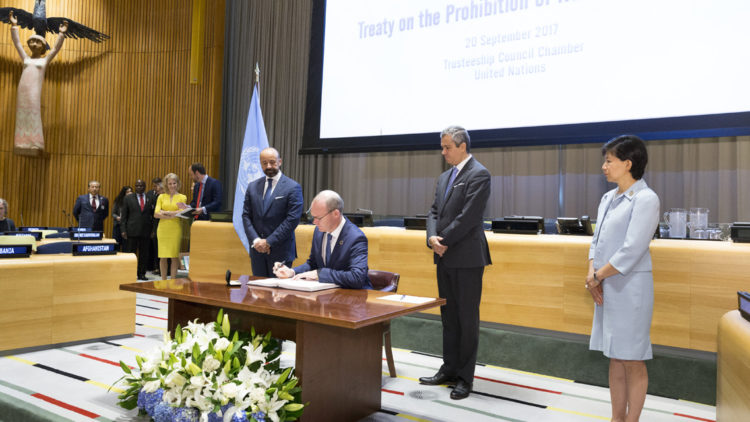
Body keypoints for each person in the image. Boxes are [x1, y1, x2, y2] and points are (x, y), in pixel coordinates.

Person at [585, 135, 660, 422]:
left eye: (609, 161)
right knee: (615, 355)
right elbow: (597, 241)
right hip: (606, 285)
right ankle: (617, 417)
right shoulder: (608, 197)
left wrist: (597, 276)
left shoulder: (646, 198)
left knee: (633, 357)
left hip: (630, 289)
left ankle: (633, 419)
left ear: (628, 164)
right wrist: (591, 272)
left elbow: (632, 249)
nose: (604, 166)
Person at [419, 125, 491, 401]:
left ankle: (464, 377)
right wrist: (431, 239)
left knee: (466, 319)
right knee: (448, 317)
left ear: (463, 146)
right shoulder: (444, 177)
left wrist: (444, 239)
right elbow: (433, 212)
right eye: (443, 146)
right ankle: (448, 368)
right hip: (444, 255)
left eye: (448, 147)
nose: (443, 151)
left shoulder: (479, 174)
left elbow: (470, 216)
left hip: (467, 257)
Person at [273, 190, 372, 289]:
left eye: (318, 218)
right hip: (326, 295)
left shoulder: (356, 237)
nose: (314, 222)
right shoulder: (319, 231)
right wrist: (292, 272)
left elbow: (357, 277)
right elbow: (313, 264)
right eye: (313, 217)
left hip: (354, 298)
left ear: (336, 214)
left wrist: (320, 274)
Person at [8, 11, 67, 155]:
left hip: (34, 92)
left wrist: (61, 34)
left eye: (37, 42)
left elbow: (55, 50)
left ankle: (35, 143)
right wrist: (14, 26)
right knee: (22, 115)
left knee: (34, 114)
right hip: (22, 91)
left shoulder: (44, 61)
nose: (34, 44)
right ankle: (21, 142)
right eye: (32, 42)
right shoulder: (26, 59)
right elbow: (17, 44)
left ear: (42, 46)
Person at [242, 147, 304, 276]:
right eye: (264, 163)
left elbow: (292, 220)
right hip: (257, 251)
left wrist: (269, 241)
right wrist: (256, 241)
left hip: (281, 251)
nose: (268, 166)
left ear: (279, 162)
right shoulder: (252, 186)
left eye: (272, 162)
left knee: (279, 295)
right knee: (258, 292)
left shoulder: (292, 187)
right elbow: (246, 216)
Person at [154, 174, 187, 280]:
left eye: (174, 183)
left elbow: (182, 212)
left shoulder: (182, 197)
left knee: (174, 256)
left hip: (175, 228)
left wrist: (166, 212)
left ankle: (172, 280)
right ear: (166, 184)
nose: (172, 186)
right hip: (163, 229)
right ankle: (163, 280)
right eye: (170, 183)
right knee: (162, 256)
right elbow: (156, 213)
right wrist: (172, 214)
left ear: (177, 184)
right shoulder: (161, 196)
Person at [121, 180, 155, 280]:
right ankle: (130, 273)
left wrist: (153, 230)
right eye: (137, 186)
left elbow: (153, 216)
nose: (139, 187)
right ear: (135, 187)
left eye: (141, 185)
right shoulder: (128, 198)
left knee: (144, 254)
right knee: (131, 254)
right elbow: (124, 216)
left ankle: (141, 274)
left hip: (146, 231)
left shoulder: (151, 198)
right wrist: (123, 230)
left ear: (145, 186)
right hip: (131, 230)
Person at [146, 177, 162, 274]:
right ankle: (151, 266)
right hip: (150, 222)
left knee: (158, 247)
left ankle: (158, 267)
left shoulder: (163, 195)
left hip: (159, 222)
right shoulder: (149, 193)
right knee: (151, 247)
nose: (155, 188)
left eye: (157, 185)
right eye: (154, 185)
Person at [111, 186, 132, 251]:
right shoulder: (118, 200)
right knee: (116, 244)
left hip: (127, 227)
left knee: (126, 246)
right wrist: (117, 217)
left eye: (130, 192)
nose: (129, 193)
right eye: (127, 192)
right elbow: (113, 213)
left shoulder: (133, 201)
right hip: (118, 225)